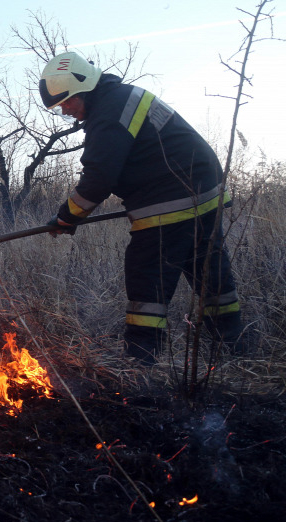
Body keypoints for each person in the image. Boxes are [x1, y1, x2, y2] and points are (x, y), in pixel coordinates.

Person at [38, 51, 244, 364]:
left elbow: (99, 179)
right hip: (205, 192)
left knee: (147, 277)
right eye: (61, 107)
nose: (67, 111)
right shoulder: (122, 97)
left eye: (68, 102)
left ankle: (140, 361)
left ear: (85, 88)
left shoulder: (108, 113)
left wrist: (66, 218)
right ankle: (236, 349)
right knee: (211, 274)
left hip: (170, 198)